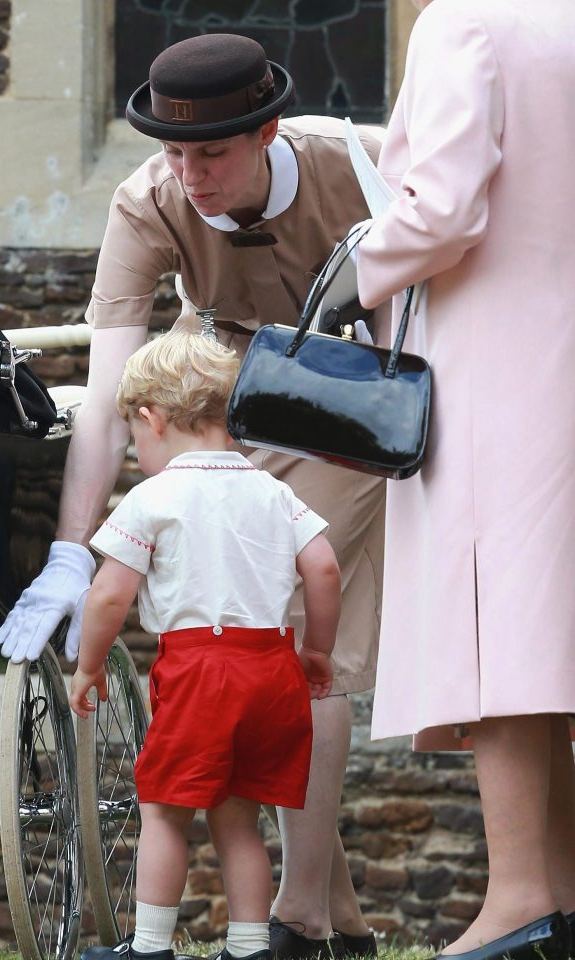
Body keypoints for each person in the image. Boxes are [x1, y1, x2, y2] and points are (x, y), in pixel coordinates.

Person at [0, 32, 383, 958]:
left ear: (267, 133)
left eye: (210, 152)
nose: (190, 174)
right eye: (173, 152)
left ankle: (296, 918)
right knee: (234, 636)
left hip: (347, 403)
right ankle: (339, 928)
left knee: (292, 645)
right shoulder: (147, 203)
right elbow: (109, 392)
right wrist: (69, 548)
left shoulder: (352, 164)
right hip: (217, 406)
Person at [353, 1, 575, 958]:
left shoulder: (467, 22)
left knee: (504, 626)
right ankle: (557, 890)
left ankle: (523, 896)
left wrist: (350, 268)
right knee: (551, 624)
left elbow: (443, 209)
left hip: (500, 360)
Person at [71, 330, 340, 960]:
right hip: (272, 667)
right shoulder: (272, 491)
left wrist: (87, 664)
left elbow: (109, 595)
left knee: (165, 812)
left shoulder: (153, 497)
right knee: (238, 818)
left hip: (200, 670)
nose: (138, 453)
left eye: (135, 440)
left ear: (151, 417)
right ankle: (249, 949)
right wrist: (318, 650)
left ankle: (150, 946)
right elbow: (323, 568)